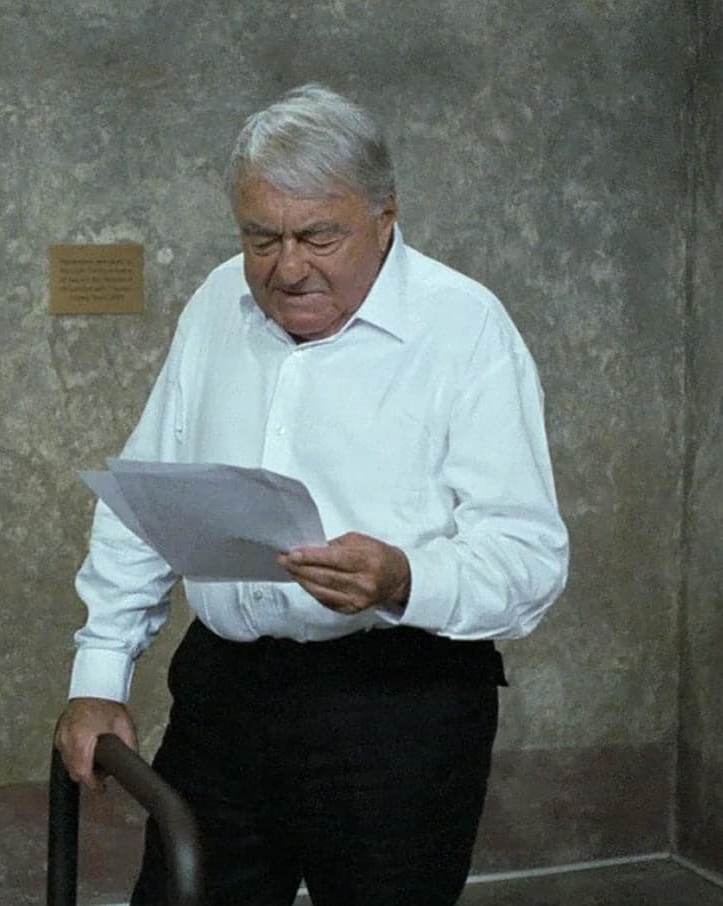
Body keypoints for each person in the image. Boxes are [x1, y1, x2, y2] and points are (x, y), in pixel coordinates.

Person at [54, 84, 570, 906]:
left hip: (398, 709)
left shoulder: (465, 328)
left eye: (318, 236)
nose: (288, 268)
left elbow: (529, 557)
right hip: (226, 696)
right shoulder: (218, 302)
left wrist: (404, 578)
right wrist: (99, 677)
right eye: (262, 238)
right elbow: (145, 499)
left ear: (385, 217)